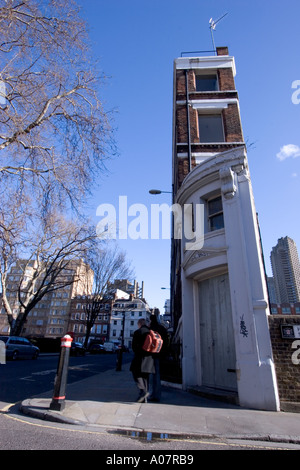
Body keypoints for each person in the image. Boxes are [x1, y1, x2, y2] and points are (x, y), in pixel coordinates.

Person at [130, 318, 155, 403]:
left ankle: (143, 391)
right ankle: (144, 399)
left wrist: (139, 351)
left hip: (140, 358)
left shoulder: (138, 332)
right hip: (150, 359)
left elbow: (133, 347)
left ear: (139, 324)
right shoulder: (151, 332)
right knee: (145, 378)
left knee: (136, 373)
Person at [148, 314, 169, 402]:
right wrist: (164, 353)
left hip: (150, 355)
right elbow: (166, 341)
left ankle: (151, 394)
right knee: (158, 375)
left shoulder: (149, 329)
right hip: (159, 354)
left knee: (150, 375)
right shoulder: (162, 328)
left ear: (150, 320)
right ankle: (158, 395)